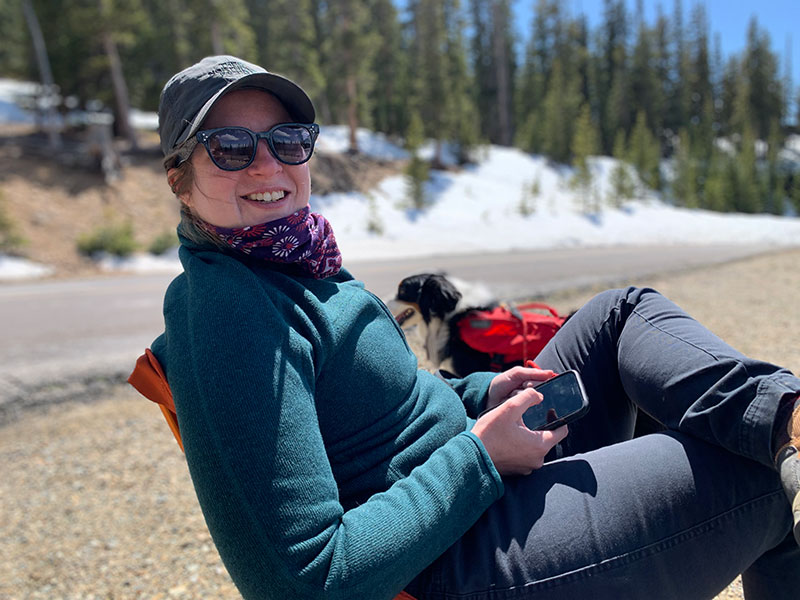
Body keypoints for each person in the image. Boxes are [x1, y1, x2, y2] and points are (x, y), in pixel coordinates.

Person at [147, 55, 800, 600]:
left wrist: (481, 392)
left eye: (287, 140)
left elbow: (384, 403)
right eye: (230, 148)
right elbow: (301, 580)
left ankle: (788, 418)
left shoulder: (290, 259)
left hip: (472, 477)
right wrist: (482, 457)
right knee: (754, 476)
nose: (268, 164)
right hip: (459, 558)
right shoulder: (229, 312)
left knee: (621, 313)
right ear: (180, 177)